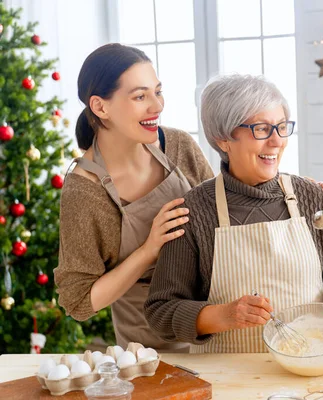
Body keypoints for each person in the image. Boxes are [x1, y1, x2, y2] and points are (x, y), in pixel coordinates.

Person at [144, 74, 323, 353]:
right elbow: (161, 312)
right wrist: (224, 315)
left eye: (282, 127)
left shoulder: (312, 198)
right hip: (228, 380)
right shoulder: (193, 212)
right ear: (223, 139)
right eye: (262, 129)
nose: (277, 141)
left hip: (307, 368)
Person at [54, 43, 214, 351]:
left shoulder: (178, 145)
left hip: (219, 323)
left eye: (158, 91)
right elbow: (80, 302)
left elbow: (223, 212)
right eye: (140, 96)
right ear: (101, 107)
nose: (157, 105)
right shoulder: (85, 190)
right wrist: (149, 250)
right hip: (151, 351)